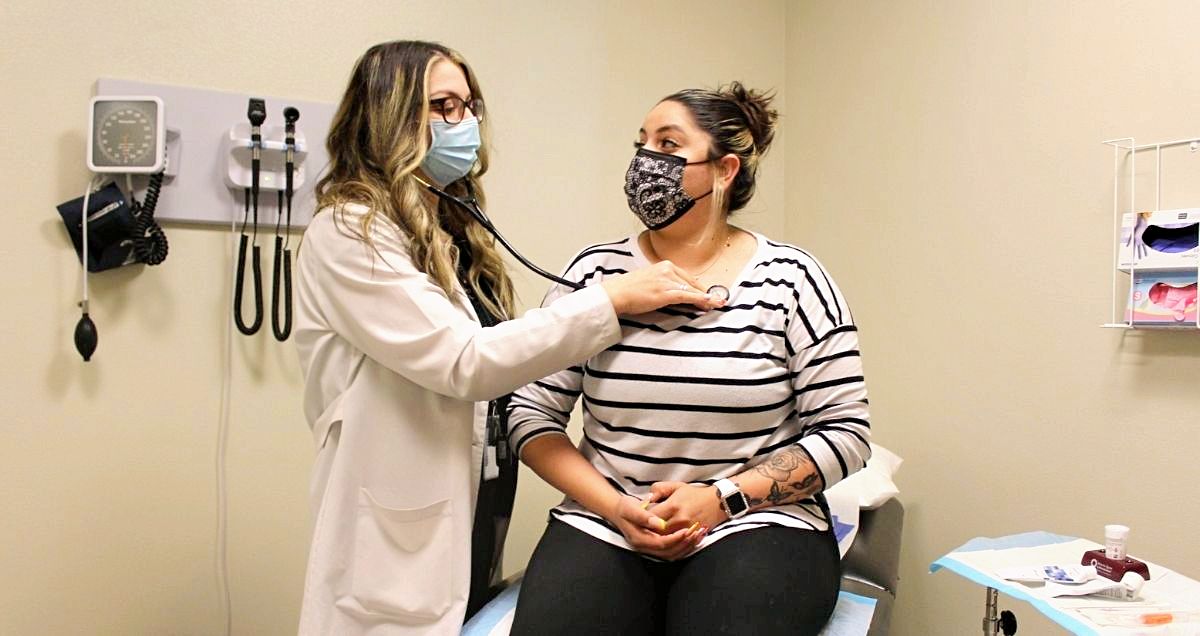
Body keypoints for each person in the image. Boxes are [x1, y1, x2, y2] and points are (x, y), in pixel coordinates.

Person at [292, 40, 723, 636]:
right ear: (389, 116)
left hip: (471, 499)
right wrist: (612, 299)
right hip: (394, 517)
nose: (464, 123)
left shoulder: (446, 229)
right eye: (443, 106)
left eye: (468, 106)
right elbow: (467, 362)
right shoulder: (349, 234)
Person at [507, 82, 872, 635]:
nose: (647, 161)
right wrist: (613, 506)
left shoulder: (794, 280)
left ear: (725, 171)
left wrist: (722, 498)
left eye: (670, 145)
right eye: (642, 143)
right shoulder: (595, 274)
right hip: (608, 520)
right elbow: (529, 414)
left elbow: (847, 433)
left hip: (756, 522)